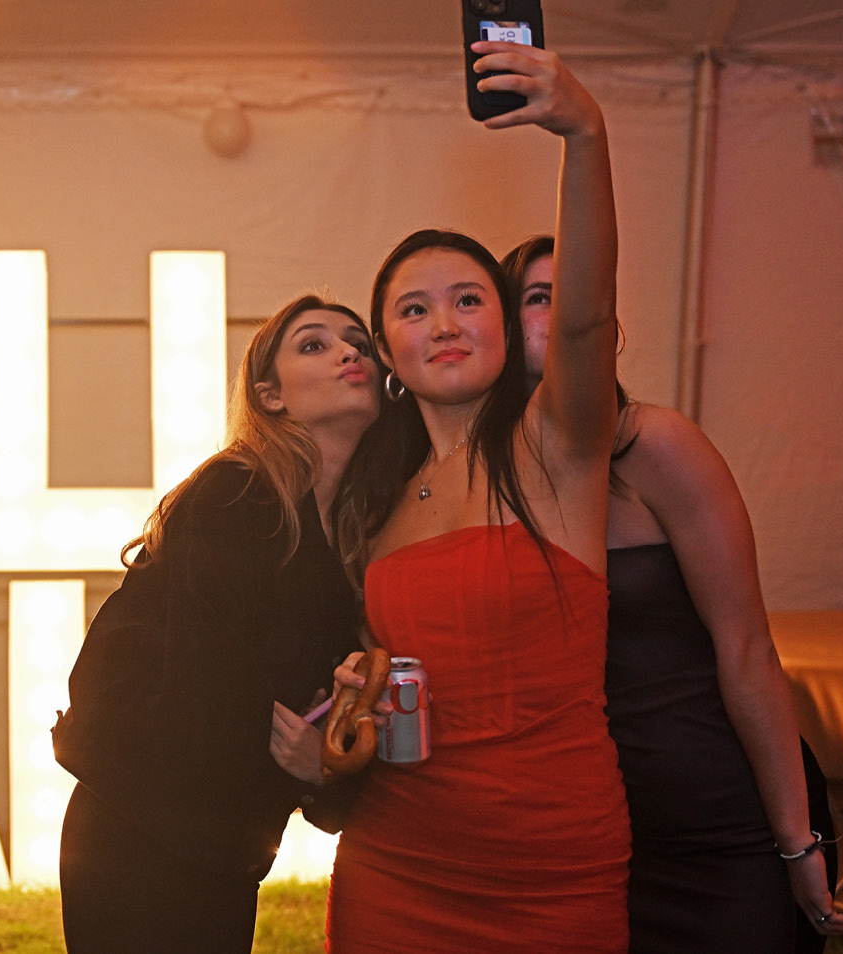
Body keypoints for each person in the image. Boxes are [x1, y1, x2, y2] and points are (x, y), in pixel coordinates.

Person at [327, 43, 632, 952]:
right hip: (398, 860)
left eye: (469, 298)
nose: (446, 322)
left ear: (506, 321)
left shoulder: (554, 447)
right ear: (386, 352)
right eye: (414, 310)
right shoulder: (371, 496)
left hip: (552, 867)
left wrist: (586, 135)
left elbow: (583, 314)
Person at [502, 233, 843, 952]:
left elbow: (748, 649)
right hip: (593, 835)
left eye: (576, 298)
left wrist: (795, 842)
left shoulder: (657, 446)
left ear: (609, 325)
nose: (561, 315)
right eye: (538, 299)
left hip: (718, 820)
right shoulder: (493, 480)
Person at [53, 294, 384, 953]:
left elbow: (322, 736)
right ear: (271, 395)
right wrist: (304, 769)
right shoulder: (236, 494)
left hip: (227, 849)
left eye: (359, 343)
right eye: (314, 344)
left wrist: (318, 772)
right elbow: (203, 703)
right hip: (139, 837)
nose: (350, 352)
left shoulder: (352, 538)